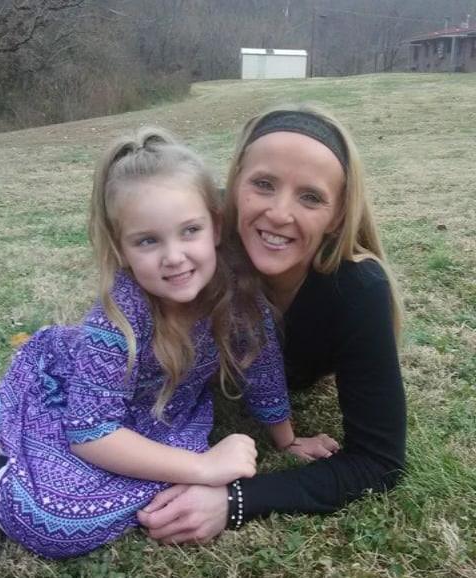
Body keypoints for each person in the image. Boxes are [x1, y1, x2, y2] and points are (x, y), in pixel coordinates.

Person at [0, 127, 338, 559]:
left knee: (168, 494)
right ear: (121, 249)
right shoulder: (118, 320)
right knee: (58, 522)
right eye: (148, 240)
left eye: (189, 230)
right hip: (65, 398)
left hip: (163, 416)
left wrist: (286, 440)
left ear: (215, 226)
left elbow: (263, 366)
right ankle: (4, 470)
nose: (174, 257)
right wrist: (204, 466)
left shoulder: (236, 291)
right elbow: (90, 432)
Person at [137, 104, 407, 544]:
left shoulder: (358, 290)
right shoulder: (193, 247)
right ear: (234, 185)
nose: (280, 214)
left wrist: (234, 501)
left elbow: (379, 461)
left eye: (311, 197)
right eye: (263, 184)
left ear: (338, 215)